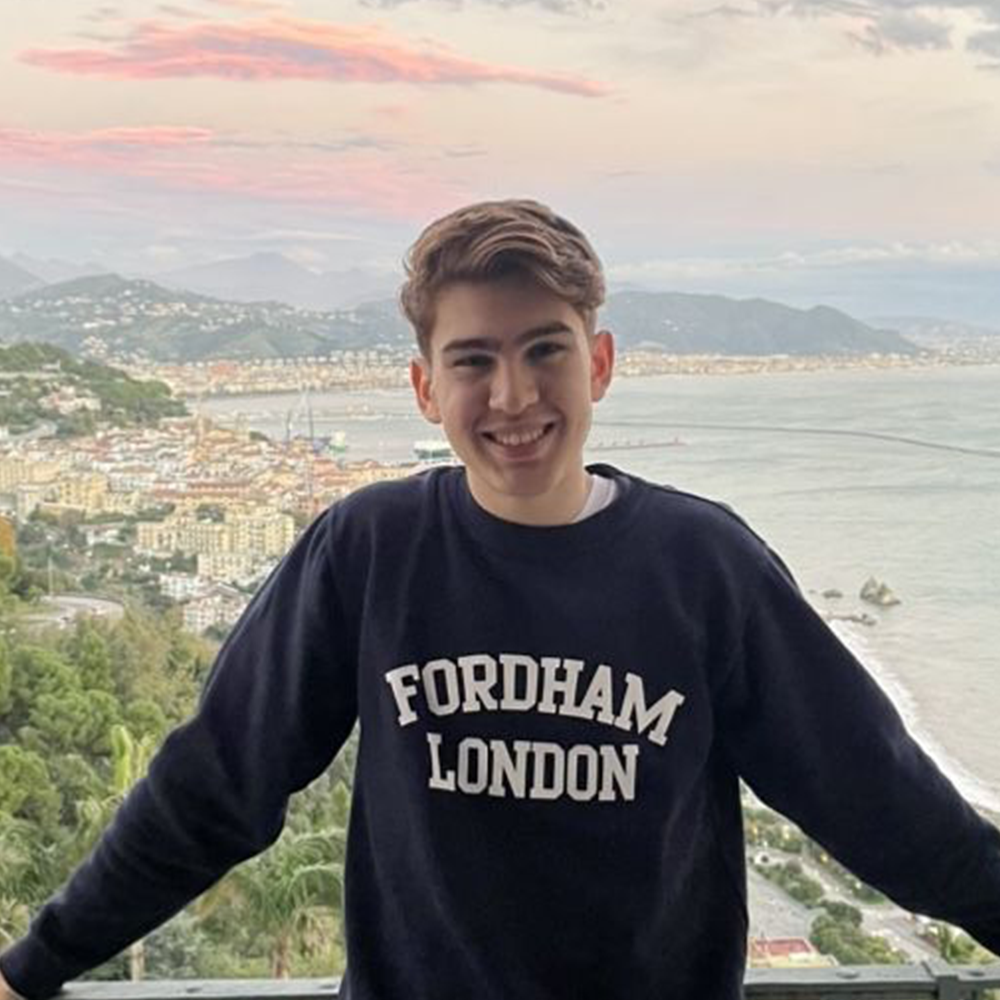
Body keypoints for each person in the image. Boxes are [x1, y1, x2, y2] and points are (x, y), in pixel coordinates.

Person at [2, 199, 999, 1000]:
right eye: (473, 360)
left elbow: (878, 797)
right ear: (425, 387)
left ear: (598, 363)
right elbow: (216, 782)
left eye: (544, 350)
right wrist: (35, 961)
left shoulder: (702, 566)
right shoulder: (368, 550)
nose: (513, 395)